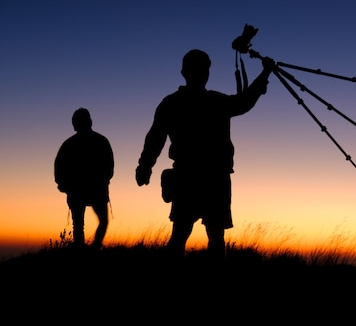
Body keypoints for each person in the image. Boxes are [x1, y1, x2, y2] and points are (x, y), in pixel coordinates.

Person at [135, 48, 274, 261]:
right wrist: (265, 74)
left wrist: (145, 167)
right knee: (210, 235)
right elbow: (244, 102)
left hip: (190, 176)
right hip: (211, 178)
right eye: (201, 69)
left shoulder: (172, 103)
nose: (203, 74)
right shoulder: (214, 102)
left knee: (183, 233)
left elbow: (155, 139)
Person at [54, 108, 114, 249]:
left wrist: (64, 185)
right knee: (101, 222)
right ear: (90, 122)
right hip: (93, 190)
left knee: (78, 225)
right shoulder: (101, 141)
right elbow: (110, 167)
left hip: (79, 191)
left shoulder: (68, 144)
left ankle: (83, 251)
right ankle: (93, 248)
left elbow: (58, 169)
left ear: (75, 124)